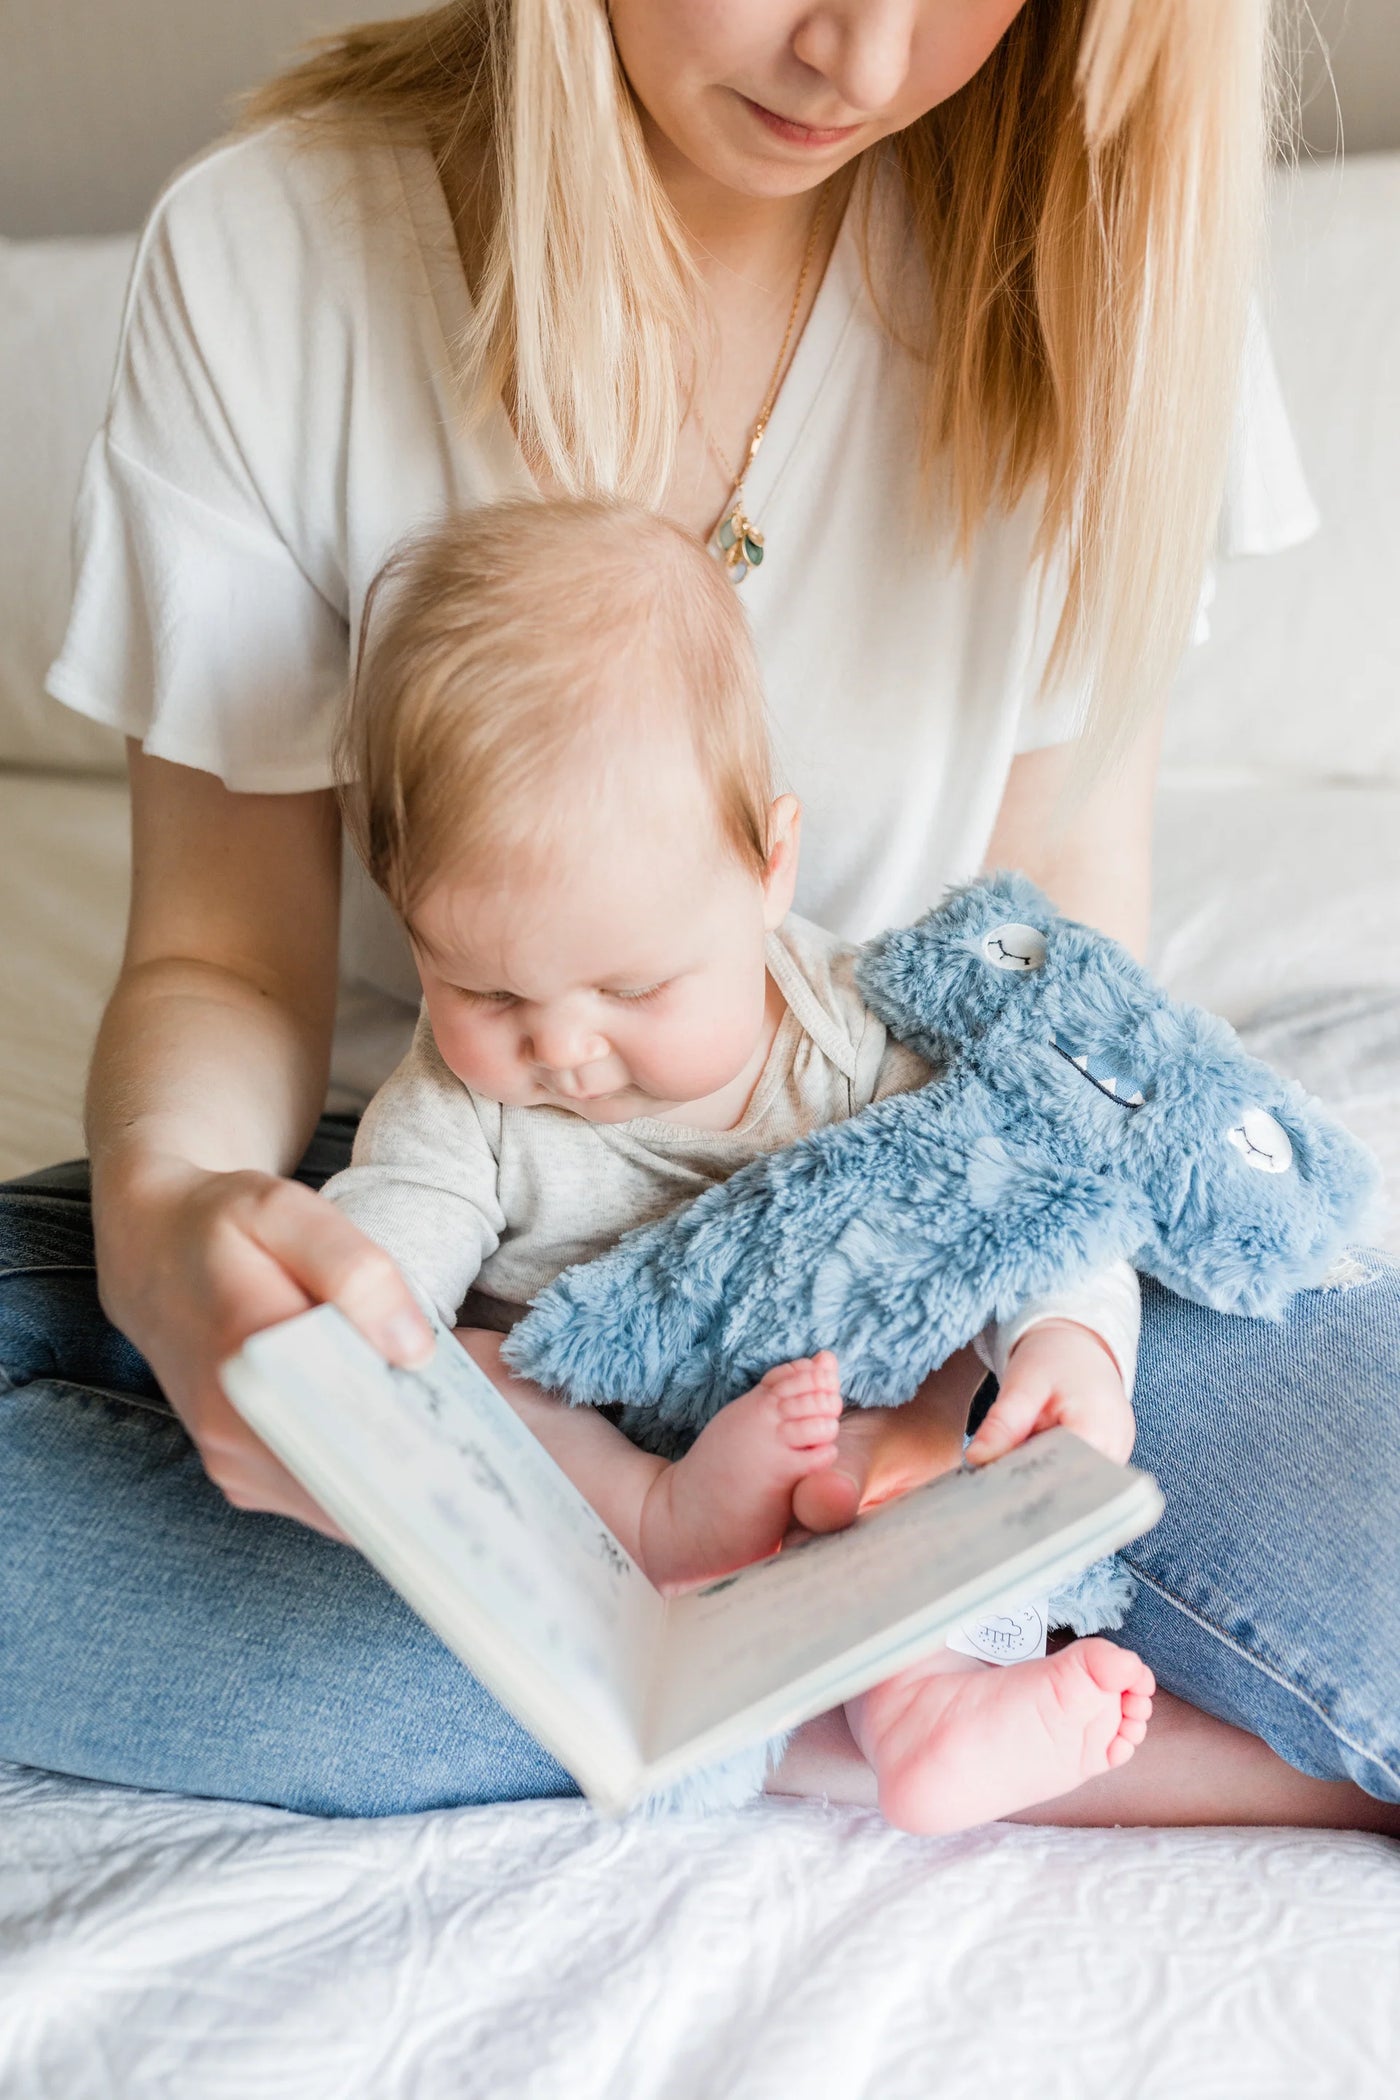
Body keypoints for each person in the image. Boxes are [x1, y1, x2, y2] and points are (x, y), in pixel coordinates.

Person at [3, 0, 1397, 1829]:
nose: (862, 55)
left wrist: (1026, 1354)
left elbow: (1054, 950)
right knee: (384, 1679)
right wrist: (180, 1234)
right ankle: (853, 1693)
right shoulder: (281, 252)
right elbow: (224, 957)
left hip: (913, 1174)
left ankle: (831, 1684)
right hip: (452, 1251)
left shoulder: (1107, 259)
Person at [321, 496, 1156, 1832]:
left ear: (770, 867)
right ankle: (670, 1523)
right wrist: (353, 1341)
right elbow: (386, 1249)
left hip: (826, 1416)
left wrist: (1072, 1349)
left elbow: (1028, 1187)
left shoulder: (851, 1023)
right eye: (481, 988)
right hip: (604, 1463)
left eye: (631, 983)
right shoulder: (454, 1099)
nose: (563, 1048)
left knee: (909, 1443)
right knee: (461, 1374)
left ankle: (921, 1706)